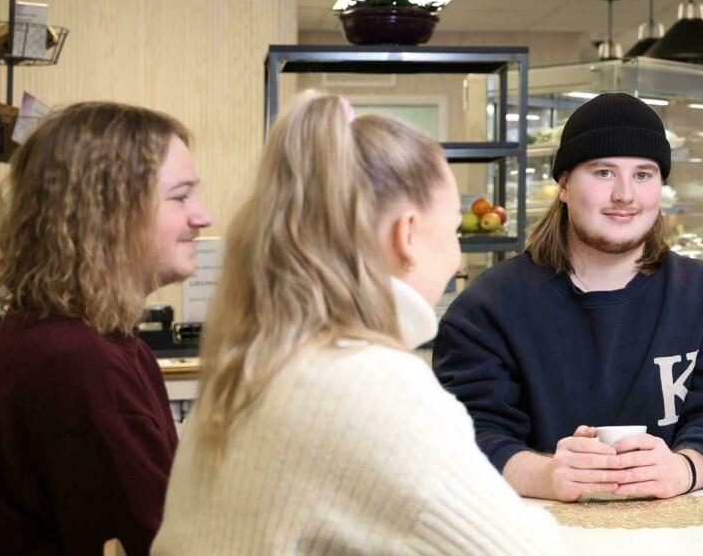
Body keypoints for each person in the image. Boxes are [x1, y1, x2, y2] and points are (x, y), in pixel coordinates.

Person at [153, 91, 564, 554]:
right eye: (452, 229)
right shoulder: (372, 382)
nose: (454, 252)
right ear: (406, 234)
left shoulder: (264, 355)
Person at [434, 92, 703, 502]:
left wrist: (682, 469)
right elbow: (466, 433)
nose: (625, 194)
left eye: (643, 174)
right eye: (604, 172)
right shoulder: (488, 307)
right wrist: (545, 474)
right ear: (565, 185)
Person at [0, 102, 212, 555]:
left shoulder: (98, 344)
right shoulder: (77, 366)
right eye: (181, 196)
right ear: (109, 212)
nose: (202, 216)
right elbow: (166, 546)